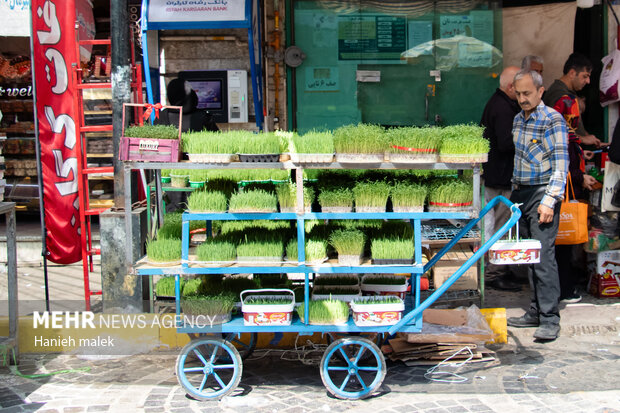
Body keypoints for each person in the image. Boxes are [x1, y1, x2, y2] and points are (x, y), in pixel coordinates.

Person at [507, 69, 569, 341]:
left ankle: (549, 318)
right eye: (518, 93)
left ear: (541, 91)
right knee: (528, 256)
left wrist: (549, 201)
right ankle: (535, 310)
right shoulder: (518, 119)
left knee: (543, 256)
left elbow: (560, 165)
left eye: (527, 93)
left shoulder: (552, 119)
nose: (522, 98)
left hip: (542, 194)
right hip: (520, 193)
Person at [543, 53, 599, 303]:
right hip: (562, 179)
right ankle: (563, 289)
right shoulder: (565, 100)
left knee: (554, 240)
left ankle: (558, 288)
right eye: (585, 75)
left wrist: (579, 146)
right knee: (561, 239)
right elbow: (563, 142)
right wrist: (579, 173)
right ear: (572, 72)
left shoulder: (557, 96)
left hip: (558, 174)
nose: (587, 81)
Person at [480, 65, 523, 291]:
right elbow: (506, 143)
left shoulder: (498, 103)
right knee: (501, 226)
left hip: (497, 174)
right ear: (510, 87)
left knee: (501, 225)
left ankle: (503, 268)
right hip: (500, 177)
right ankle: (495, 273)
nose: (523, 95)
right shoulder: (503, 108)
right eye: (520, 90)